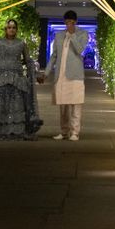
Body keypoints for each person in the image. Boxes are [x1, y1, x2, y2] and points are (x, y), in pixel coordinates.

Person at [43, 10, 88, 141]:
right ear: (64, 22)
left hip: (75, 75)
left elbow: (80, 50)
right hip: (60, 75)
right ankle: (63, 132)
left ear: (76, 22)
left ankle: (75, 132)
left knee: (76, 104)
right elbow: (54, 56)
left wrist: (73, 35)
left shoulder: (82, 34)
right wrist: (46, 73)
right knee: (63, 106)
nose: (69, 25)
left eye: (72, 22)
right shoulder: (59, 35)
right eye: (67, 22)